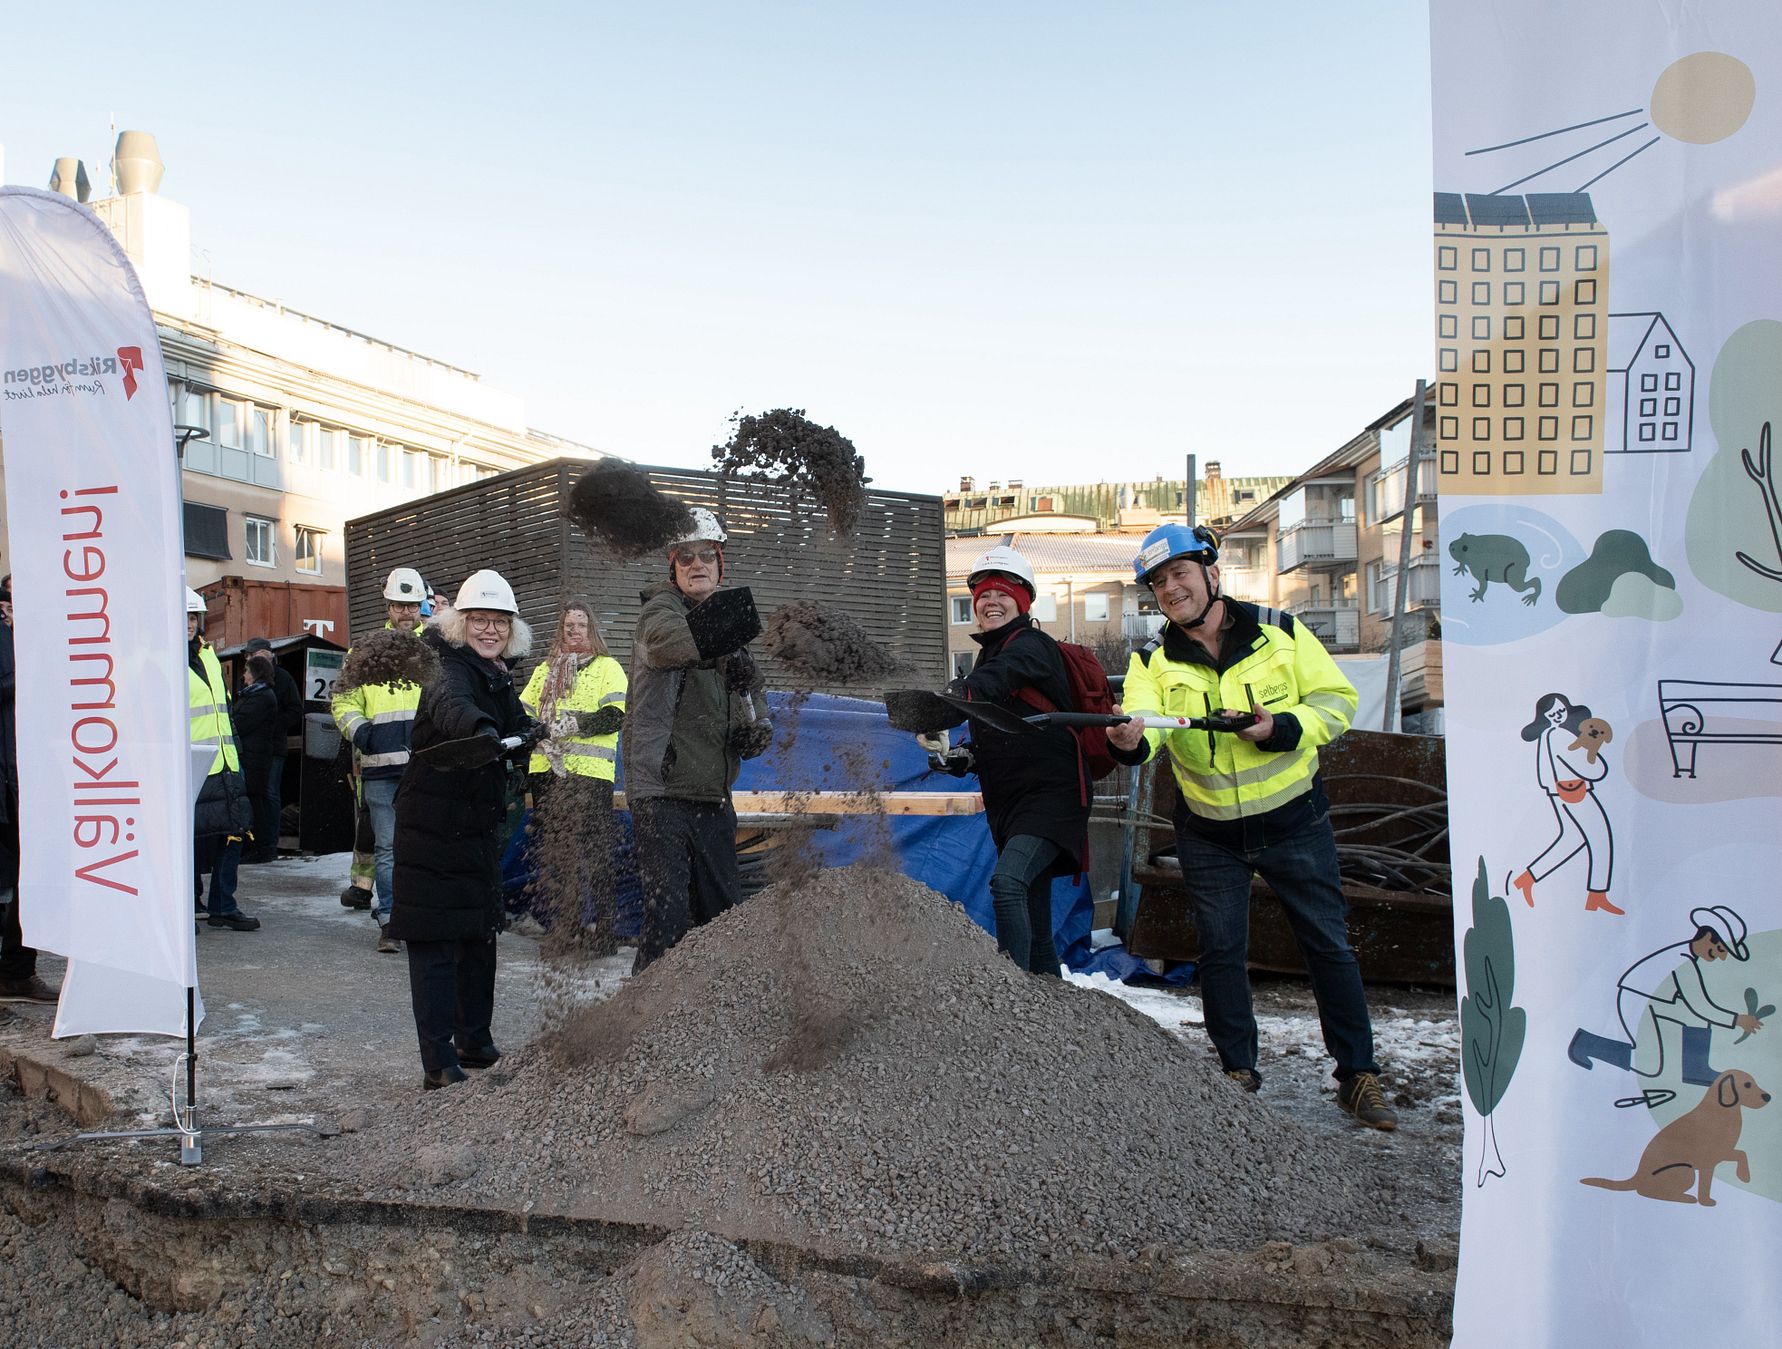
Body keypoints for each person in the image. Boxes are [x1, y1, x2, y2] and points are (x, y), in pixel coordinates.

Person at [1107, 523, 1395, 1129]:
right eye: (1159, 583)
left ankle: (1357, 1075)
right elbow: (1149, 727)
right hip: (1209, 830)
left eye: (1180, 574)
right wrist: (1131, 741)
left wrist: (1280, 728)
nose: (1171, 589)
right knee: (1221, 951)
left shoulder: (1282, 634)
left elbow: (1336, 703)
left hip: (1295, 820)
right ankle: (1237, 1072)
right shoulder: (1150, 662)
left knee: (1328, 946)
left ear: (1212, 573)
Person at [387, 569, 537, 1090]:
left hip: (473, 827)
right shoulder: (446, 666)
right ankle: (438, 1061)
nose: (489, 629)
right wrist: (483, 731)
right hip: (432, 824)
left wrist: (528, 732)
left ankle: (474, 1039)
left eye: (499, 621)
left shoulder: (495, 673)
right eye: (479, 619)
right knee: (434, 941)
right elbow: (454, 708)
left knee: (478, 935)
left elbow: (515, 720)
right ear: (459, 621)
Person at [623, 507, 772, 974]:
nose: (696, 564)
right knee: (667, 915)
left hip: (712, 792)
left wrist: (756, 729)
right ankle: (643, 1016)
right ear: (673, 565)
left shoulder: (732, 630)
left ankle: (713, 1016)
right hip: (661, 791)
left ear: (720, 562)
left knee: (724, 915)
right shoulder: (659, 612)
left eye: (706, 555)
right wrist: (728, 644)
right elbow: (670, 646)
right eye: (685, 557)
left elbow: (755, 701)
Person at [929, 545, 1088, 976]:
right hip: (1012, 804)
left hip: (1050, 798)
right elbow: (1007, 729)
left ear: (1023, 602)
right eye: (982, 595)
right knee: (1037, 933)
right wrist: (964, 757)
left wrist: (955, 697)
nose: (990, 602)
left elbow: (997, 682)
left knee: (1008, 883)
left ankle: (1011, 998)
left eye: (1002, 593)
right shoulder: (991, 655)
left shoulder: (1031, 646)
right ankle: (1051, 1014)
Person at [1569, 905, 1764, 1106]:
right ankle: (1586, 1044)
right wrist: (1737, 1020)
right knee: (1648, 1064)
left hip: (1657, 1001)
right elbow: (1700, 1005)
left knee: (1696, 1018)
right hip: (1638, 1000)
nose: (1721, 956)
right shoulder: (1681, 959)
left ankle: (1696, 1067)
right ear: (1708, 938)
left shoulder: (1687, 959)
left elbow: (1696, 1008)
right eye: (1721, 949)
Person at [519, 599, 627, 952]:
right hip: (547, 773)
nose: (574, 631)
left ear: (591, 629)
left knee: (596, 853)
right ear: (560, 630)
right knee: (556, 853)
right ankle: (564, 929)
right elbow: (522, 716)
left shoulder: (608, 667)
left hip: (590, 775)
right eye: (568, 626)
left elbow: (616, 715)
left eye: (580, 625)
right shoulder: (544, 670)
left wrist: (577, 724)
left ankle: (605, 934)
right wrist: (537, 733)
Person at [332, 566, 428, 953]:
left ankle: (419, 917)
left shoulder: (435, 647)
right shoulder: (365, 651)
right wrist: (361, 733)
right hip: (382, 769)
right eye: (398, 606)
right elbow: (343, 700)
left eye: (411, 606)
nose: (405, 613)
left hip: (428, 767)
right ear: (388, 606)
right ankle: (390, 921)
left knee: (422, 849)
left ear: (420, 605)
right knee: (388, 848)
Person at [189, 589, 260, 932]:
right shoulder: (162, 657)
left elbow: (224, 710)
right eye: (183, 616)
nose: (188, 624)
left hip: (225, 761)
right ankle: (187, 907)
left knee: (234, 832)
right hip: (190, 766)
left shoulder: (209, 656)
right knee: (190, 840)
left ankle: (222, 905)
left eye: (192, 617)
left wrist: (237, 754)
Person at [1512, 691, 1617, 915]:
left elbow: (1543, 774)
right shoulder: (1561, 736)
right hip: (1575, 792)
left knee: (1571, 841)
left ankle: (1527, 878)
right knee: (1600, 840)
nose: (1558, 716)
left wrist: (1553, 790)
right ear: (1545, 717)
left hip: (1560, 794)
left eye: (1561, 711)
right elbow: (1594, 770)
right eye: (1553, 714)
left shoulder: (1548, 736)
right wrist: (1592, 750)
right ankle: (1597, 895)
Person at [0, 578, 53, 1004]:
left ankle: (17, 972)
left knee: (28, 877)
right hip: (9, 774)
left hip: (25, 773)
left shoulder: (24, 633)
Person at [241, 637, 302, 863]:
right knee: (256, 794)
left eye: (252, 655)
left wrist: (272, 724)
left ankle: (270, 843)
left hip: (274, 747)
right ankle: (254, 842)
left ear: (267, 654)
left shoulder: (283, 678)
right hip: (254, 748)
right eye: (248, 656)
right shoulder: (249, 679)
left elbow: (296, 710)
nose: (249, 659)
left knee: (270, 794)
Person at [231, 653, 283, 865]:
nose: (243, 676)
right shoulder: (252, 694)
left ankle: (259, 846)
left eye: (246, 671)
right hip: (251, 755)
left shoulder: (262, 697)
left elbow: (241, 723)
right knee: (253, 799)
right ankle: (253, 845)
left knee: (256, 801)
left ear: (255, 674)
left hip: (256, 757)